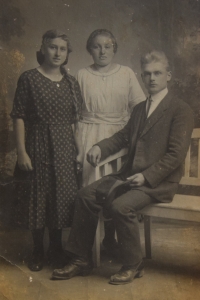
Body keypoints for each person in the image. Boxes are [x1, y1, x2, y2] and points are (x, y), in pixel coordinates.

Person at [52, 50, 194, 284]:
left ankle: (133, 264)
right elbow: (122, 137)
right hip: (129, 176)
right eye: (147, 74)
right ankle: (80, 259)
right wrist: (100, 147)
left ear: (168, 75)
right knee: (85, 195)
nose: (152, 78)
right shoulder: (139, 109)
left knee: (121, 206)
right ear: (141, 77)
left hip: (157, 183)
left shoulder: (180, 109)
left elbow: (175, 155)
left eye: (157, 73)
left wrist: (147, 177)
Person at [10, 29, 83, 272]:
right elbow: (19, 116)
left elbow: (75, 122)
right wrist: (22, 151)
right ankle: (37, 250)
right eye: (53, 47)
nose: (57, 53)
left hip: (64, 145)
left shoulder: (71, 82)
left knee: (60, 196)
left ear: (67, 53)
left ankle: (56, 248)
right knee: (38, 196)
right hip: (38, 143)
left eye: (62, 49)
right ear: (43, 49)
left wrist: (79, 150)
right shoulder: (29, 78)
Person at [77, 29, 145, 252]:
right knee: (91, 188)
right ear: (90, 50)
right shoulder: (82, 75)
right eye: (97, 46)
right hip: (89, 134)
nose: (102, 51)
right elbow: (73, 110)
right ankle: (89, 246)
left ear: (114, 48)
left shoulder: (126, 73)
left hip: (120, 134)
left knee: (116, 187)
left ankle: (110, 239)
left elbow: (140, 107)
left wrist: (133, 134)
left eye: (107, 46)